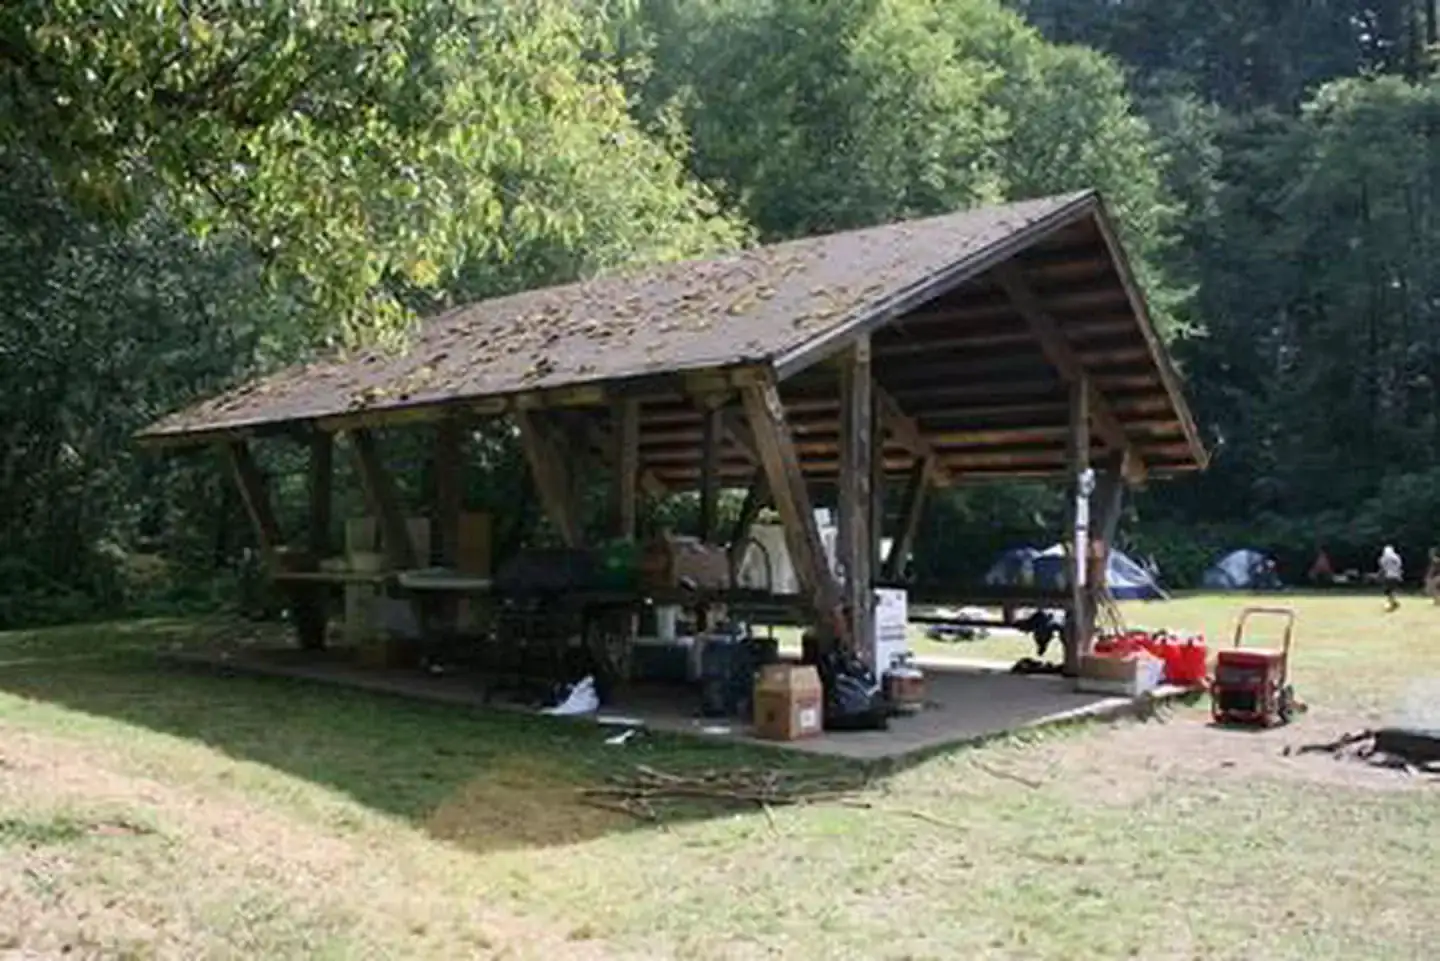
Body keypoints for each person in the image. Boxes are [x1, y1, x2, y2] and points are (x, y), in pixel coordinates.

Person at [1379, 545, 1404, 612]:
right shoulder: (1396, 557)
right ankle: (1393, 602)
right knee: (1393, 589)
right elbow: (1399, 566)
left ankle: (1392, 603)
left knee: (1388, 590)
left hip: (1388, 575)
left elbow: (1382, 567)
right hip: (1396, 575)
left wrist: (1381, 575)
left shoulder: (1383, 558)